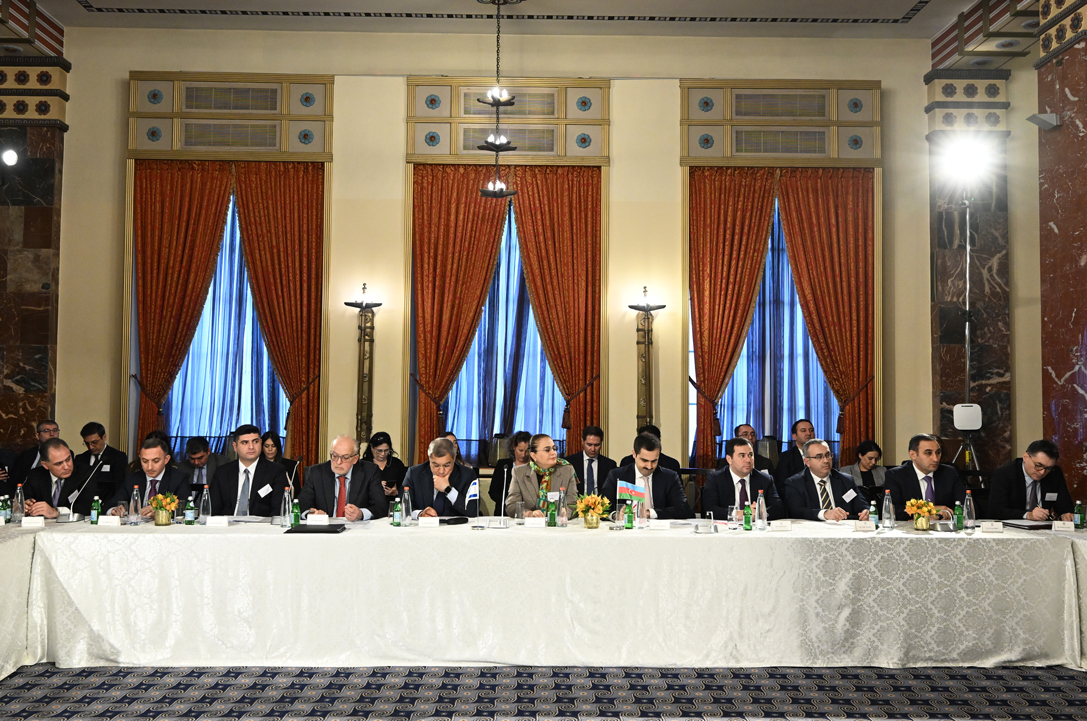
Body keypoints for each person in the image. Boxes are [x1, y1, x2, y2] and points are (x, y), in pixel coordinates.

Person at [602, 432, 694, 519]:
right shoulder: (617, 475)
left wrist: (649, 513)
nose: (649, 466)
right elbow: (602, 508)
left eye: (654, 461)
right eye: (644, 460)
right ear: (634, 454)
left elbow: (683, 509)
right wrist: (616, 516)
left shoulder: (670, 477)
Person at [300, 435, 387, 520]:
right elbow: (300, 505)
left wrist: (361, 513)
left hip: (356, 527)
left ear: (355, 459)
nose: (338, 462)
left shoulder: (370, 471)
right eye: (334, 456)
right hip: (326, 526)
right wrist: (311, 514)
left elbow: (381, 506)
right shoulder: (316, 472)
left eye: (345, 458)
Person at [209, 424, 290, 517]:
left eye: (255, 441)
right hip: (228, 524)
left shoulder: (276, 471)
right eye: (245, 442)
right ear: (235, 446)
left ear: (261, 443)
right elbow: (214, 510)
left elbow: (279, 510)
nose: (251, 447)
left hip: (262, 525)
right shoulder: (222, 472)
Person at [884, 433, 966, 521]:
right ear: (913, 455)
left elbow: (966, 506)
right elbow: (891, 510)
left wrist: (949, 514)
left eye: (938, 453)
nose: (935, 459)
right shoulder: (896, 475)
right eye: (928, 453)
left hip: (944, 527)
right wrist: (929, 511)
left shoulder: (949, 473)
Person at [987, 439, 1074, 521]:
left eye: (1048, 468)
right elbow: (996, 511)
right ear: (1025, 457)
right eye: (1038, 465)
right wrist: (1028, 515)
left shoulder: (1054, 473)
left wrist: (1065, 515)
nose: (1042, 472)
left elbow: (1065, 505)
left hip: (1044, 526)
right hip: (1013, 526)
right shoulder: (1004, 474)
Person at [784, 439, 870, 521]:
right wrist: (824, 514)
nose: (826, 460)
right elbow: (796, 511)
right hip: (812, 528)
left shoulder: (846, 480)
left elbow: (860, 504)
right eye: (819, 457)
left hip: (842, 527)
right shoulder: (795, 483)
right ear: (807, 462)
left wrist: (865, 512)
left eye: (828, 455)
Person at [703, 437, 785, 521]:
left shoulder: (765, 479)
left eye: (751, 455)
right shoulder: (715, 479)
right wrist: (738, 514)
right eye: (742, 456)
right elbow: (709, 509)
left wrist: (759, 513)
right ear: (729, 459)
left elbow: (778, 509)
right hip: (728, 527)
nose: (748, 460)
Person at [109, 438, 191, 517]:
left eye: (156, 461)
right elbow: (112, 504)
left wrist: (160, 512)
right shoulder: (132, 478)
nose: (149, 467)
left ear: (166, 459)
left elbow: (184, 508)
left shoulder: (179, 478)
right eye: (145, 461)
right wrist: (114, 510)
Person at [505, 433, 578, 518]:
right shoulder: (519, 472)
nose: (553, 453)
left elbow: (573, 504)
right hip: (530, 524)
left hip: (557, 523)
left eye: (554, 449)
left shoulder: (567, 471)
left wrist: (565, 513)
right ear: (534, 455)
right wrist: (529, 514)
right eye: (547, 450)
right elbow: (511, 506)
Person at [404, 437, 479, 518]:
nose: (441, 471)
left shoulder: (467, 475)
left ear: (454, 458)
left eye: (446, 465)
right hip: (424, 525)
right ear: (429, 458)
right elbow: (402, 506)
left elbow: (474, 511)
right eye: (436, 465)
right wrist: (420, 514)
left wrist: (448, 490)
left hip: (456, 525)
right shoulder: (414, 474)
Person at [22, 438, 97, 517]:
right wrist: (26, 507)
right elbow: (25, 498)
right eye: (59, 463)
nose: (66, 467)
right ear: (45, 465)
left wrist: (56, 512)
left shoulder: (85, 473)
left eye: (68, 459)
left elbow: (88, 506)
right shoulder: (36, 475)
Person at [74, 421, 128, 510]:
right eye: (87, 443)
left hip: (108, 506)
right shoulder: (80, 459)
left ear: (104, 437)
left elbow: (120, 486)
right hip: (84, 507)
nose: (91, 447)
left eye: (94, 442)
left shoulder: (118, 457)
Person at [562, 425, 617, 497]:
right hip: (576, 502)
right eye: (589, 445)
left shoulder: (610, 465)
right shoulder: (570, 462)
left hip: (601, 502)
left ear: (601, 443)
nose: (593, 449)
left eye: (597, 445)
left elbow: (610, 492)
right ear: (582, 441)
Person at [9, 419, 60, 490]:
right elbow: (14, 480)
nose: (52, 434)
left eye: (55, 430)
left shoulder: (66, 454)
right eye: (46, 431)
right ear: (37, 436)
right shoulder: (27, 455)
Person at [489, 431, 530, 516]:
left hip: (528, 512)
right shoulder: (503, 465)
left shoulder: (534, 466)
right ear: (513, 447)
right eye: (520, 450)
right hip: (504, 512)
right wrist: (509, 502)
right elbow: (493, 492)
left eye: (527, 451)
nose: (523, 455)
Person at [178, 436, 227, 506]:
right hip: (188, 509)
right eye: (192, 458)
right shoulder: (182, 467)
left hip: (214, 508)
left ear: (208, 451)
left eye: (200, 458)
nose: (196, 462)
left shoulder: (222, 464)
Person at [618, 424, 682, 474]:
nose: (649, 466)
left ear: (659, 442)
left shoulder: (671, 464)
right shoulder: (627, 462)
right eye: (644, 460)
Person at [361, 431, 408, 498]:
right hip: (369, 501)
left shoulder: (396, 464)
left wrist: (397, 492)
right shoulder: (363, 464)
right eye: (379, 451)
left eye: (386, 450)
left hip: (392, 501)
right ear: (372, 448)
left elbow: (406, 486)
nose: (383, 454)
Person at [773, 419, 814, 486]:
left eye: (811, 430)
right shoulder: (786, 457)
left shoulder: (822, 455)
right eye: (803, 430)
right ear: (795, 436)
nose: (809, 433)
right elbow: (782, 484)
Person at [261, 431, 301, 498]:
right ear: (262, 448)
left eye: (273, 446)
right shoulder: (257, 465)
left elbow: (297, 492)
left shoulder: (290, 465)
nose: (270, 449)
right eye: (266, 446)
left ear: (278, 447)